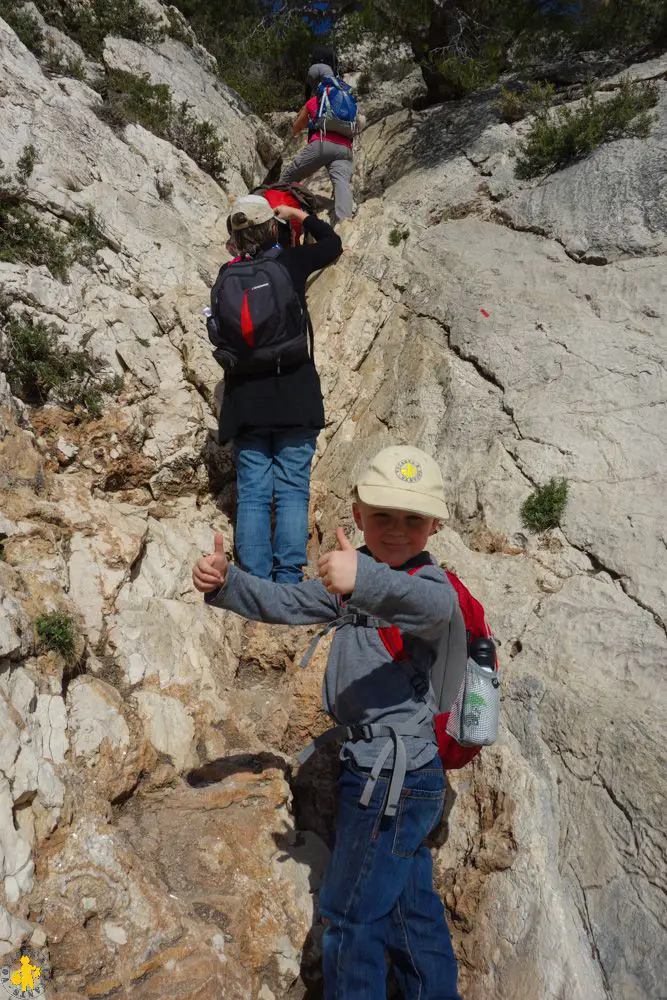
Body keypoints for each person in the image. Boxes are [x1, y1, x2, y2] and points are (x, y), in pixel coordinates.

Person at [192, 444, 462, 1000]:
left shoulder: (427, 585)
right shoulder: (354, 582)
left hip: (391, 778)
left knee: (349, 917)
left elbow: (433, 610)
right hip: (387, 772)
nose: (394, 529)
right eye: (381, 515)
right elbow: (289, 602)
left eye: (412, 519)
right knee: (410, 913)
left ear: (433, 526)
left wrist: (362, 576)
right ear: (358, 515)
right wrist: (228, 584)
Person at [213, 194, 341, 584]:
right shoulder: (289, 261)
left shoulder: (225, 274)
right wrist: (299, 215)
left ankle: (254, 582)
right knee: (291, 488)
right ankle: (287, 578)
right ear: (272, 227)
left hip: (246, 399)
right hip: (294, 391)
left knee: (252, 491)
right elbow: (332, 245)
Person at [281, 64, 355, 225]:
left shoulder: (316, 100)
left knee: (289, 176)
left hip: (322, 144)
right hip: (345, 148)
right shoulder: (346, 99)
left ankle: (279, 211)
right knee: (341, 184)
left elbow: (296, 128)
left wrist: (307, 119)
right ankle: (345, 223)